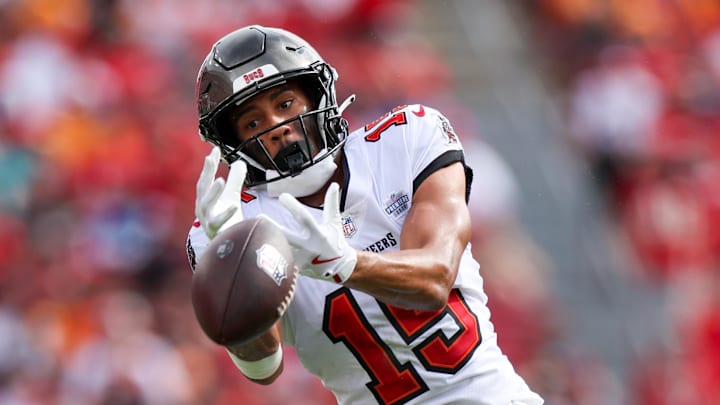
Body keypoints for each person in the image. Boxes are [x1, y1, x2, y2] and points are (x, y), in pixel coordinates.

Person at [186, 25, 544, 405]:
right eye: (253, 122)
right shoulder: (234, 221)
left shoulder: (406, 138)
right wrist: (232, 271)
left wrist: (344, 264)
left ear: (315, 95)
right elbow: (262, 368)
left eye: (285, 104)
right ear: (234, 144)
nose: (276, 127)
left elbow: (436, 279)